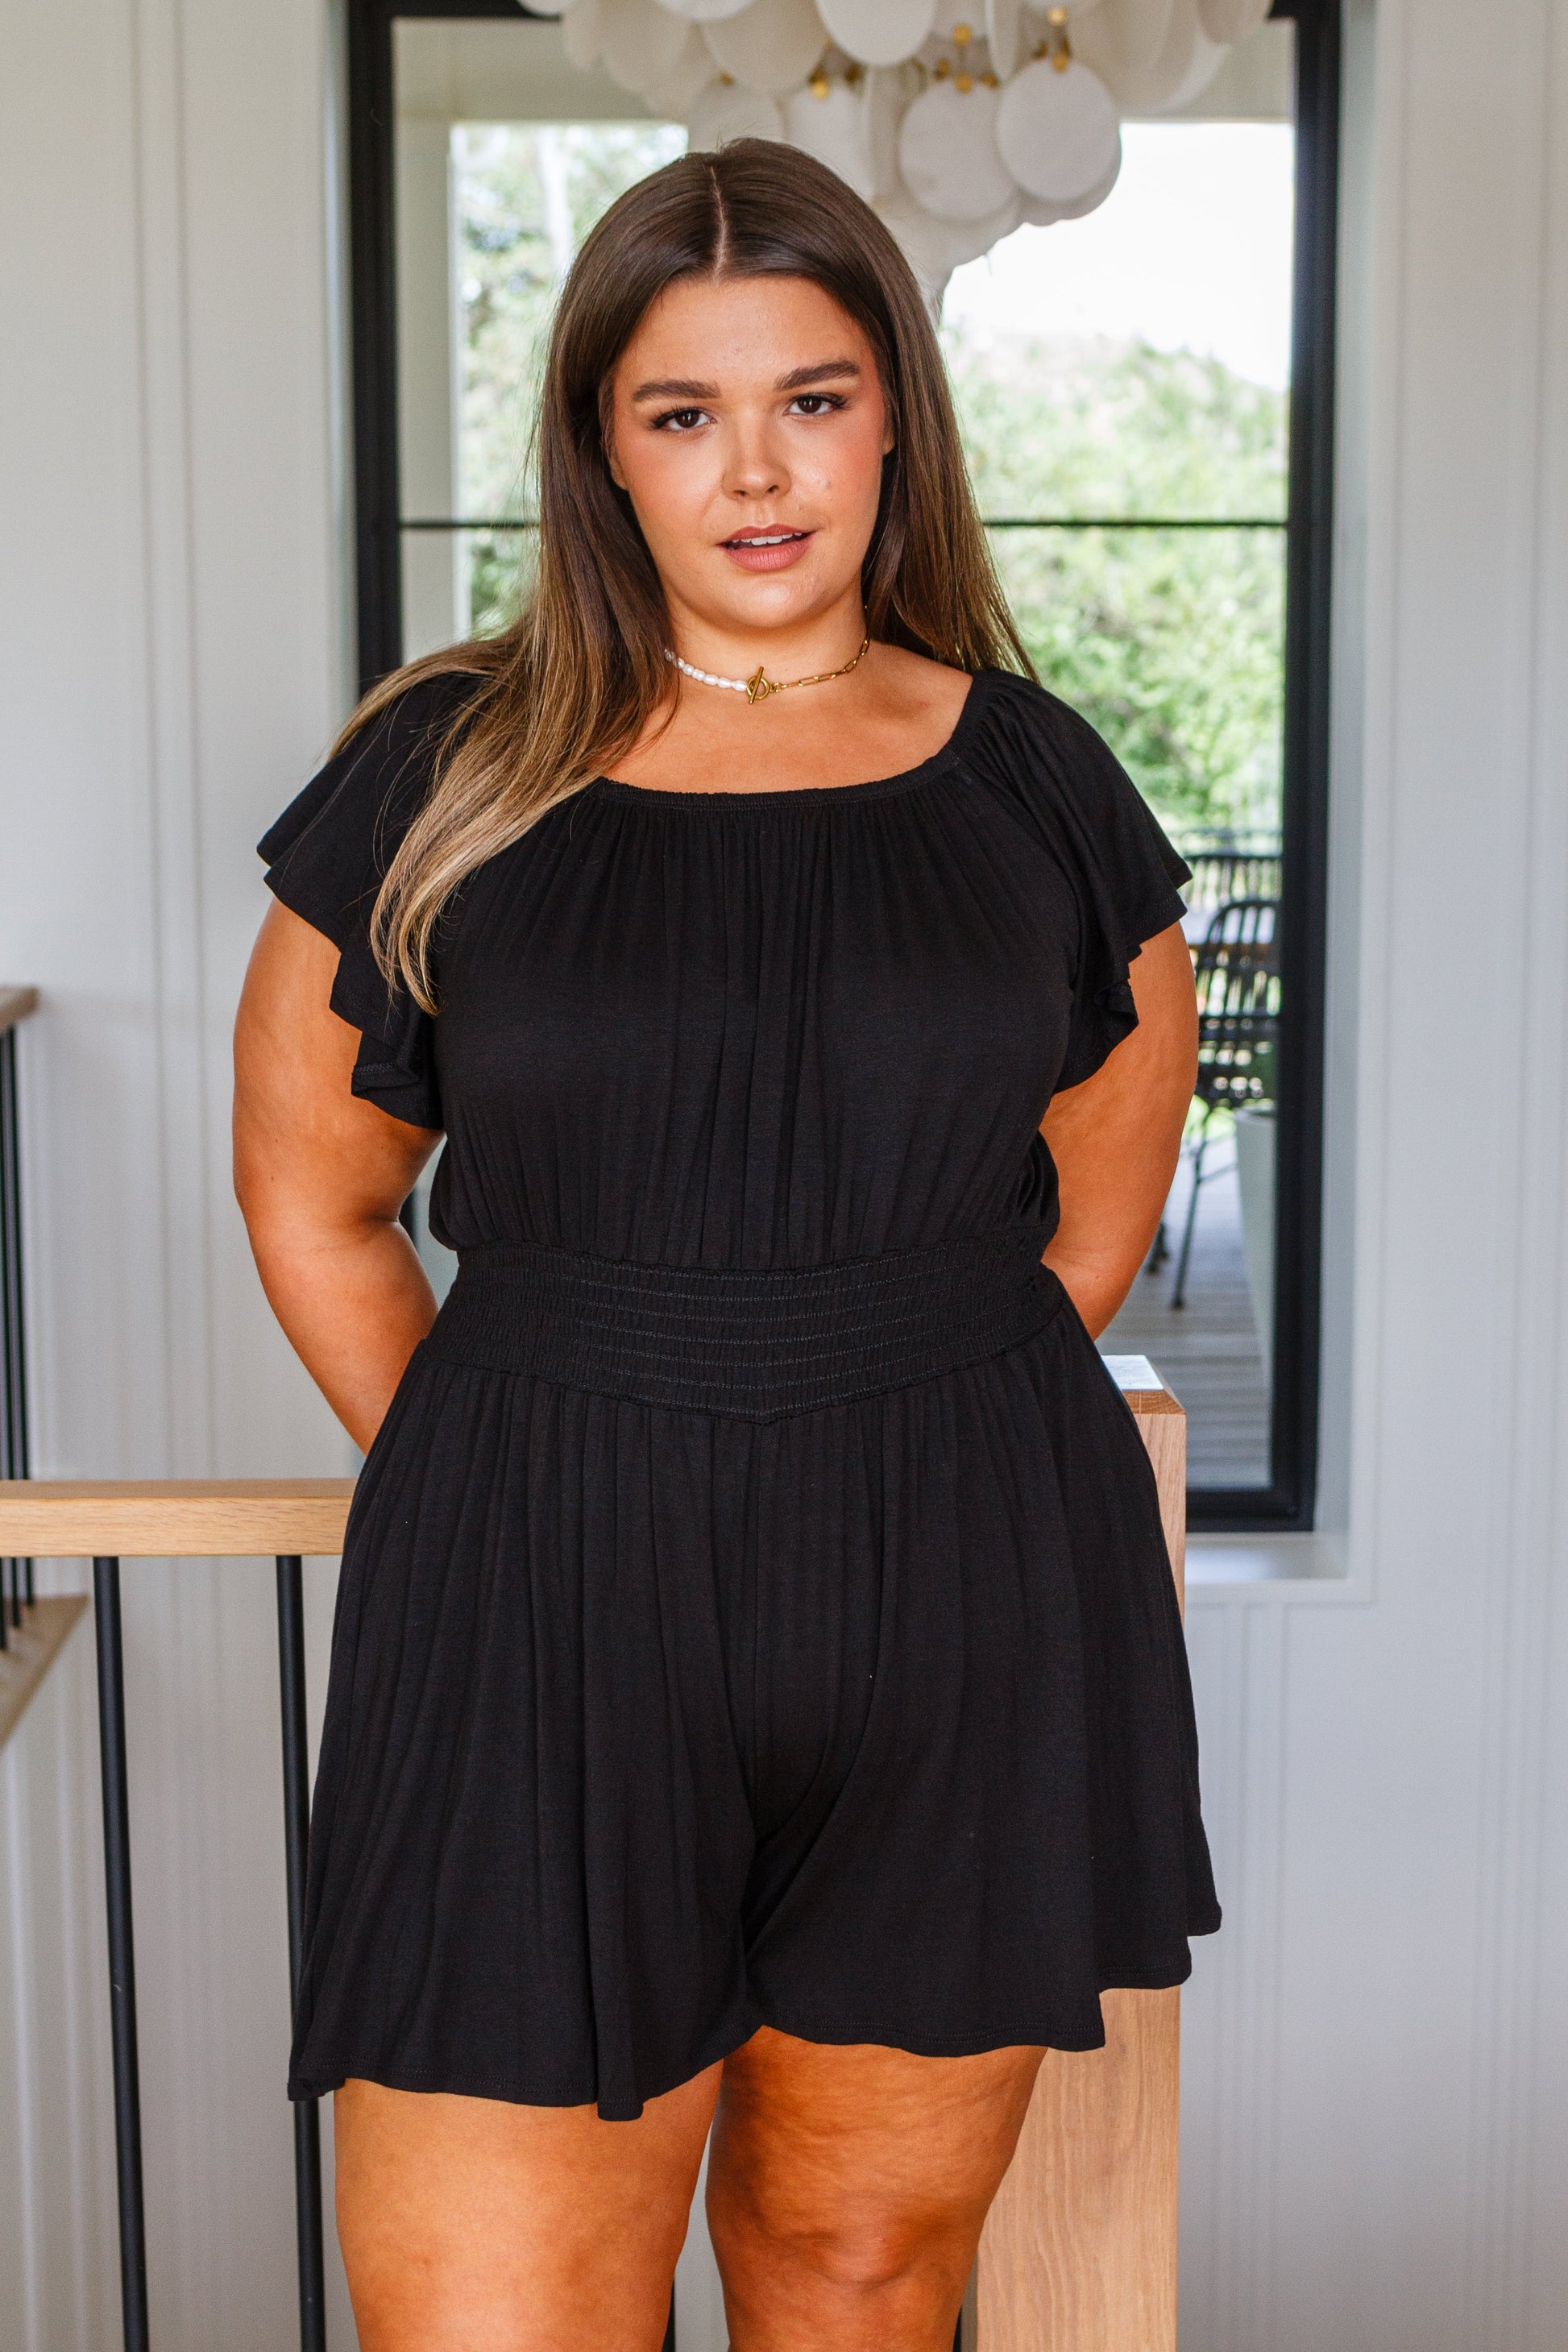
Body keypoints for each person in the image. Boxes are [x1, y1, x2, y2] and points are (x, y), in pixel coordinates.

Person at [233, 138, 1219, 2352]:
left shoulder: (1039, 781)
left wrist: (879, 1420)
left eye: (813, 399)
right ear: (602, 448)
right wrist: (531, 1460)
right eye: (683, 412)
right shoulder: (445, 769)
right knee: (499, 2320)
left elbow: (1093, 1208)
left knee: (861, 2282)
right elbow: (314, 1193)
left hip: (959, 1601)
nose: (755, 472)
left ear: (894, 425)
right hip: (537, 1602)